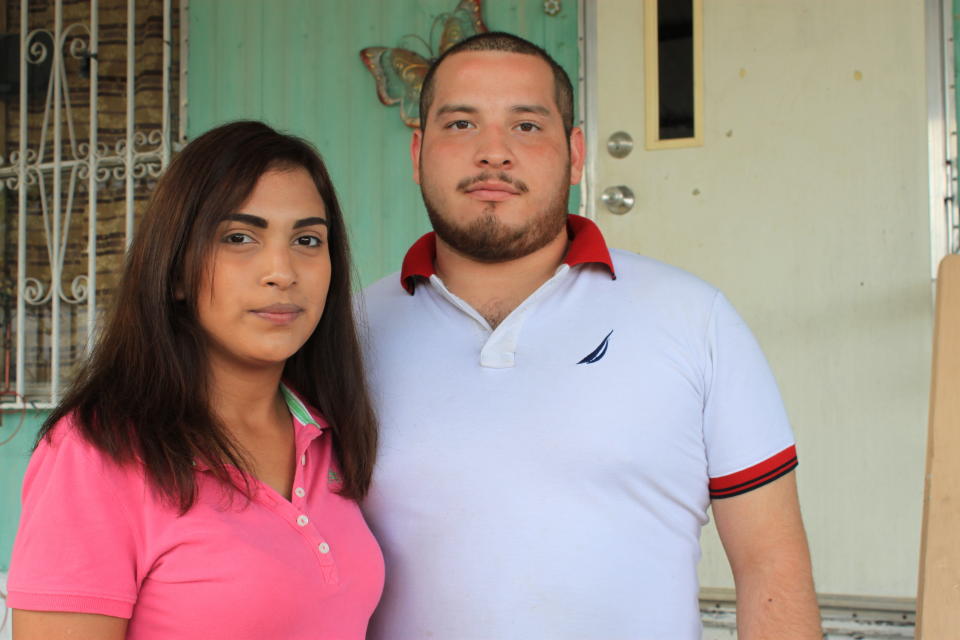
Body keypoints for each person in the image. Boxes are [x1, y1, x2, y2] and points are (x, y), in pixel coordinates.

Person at [359, 32, 821, 639]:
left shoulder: (693, 319)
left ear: (575, 154)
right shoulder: (347, 332)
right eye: (461, 124)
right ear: (417, 151)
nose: (493, 153)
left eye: (526, 126)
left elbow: (772, 569)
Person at [8, 121, 383, 640]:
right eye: (239, 238)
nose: (282, 271)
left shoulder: (327, 435)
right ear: (177, 270)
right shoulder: (98, 451)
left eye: (307, 239)